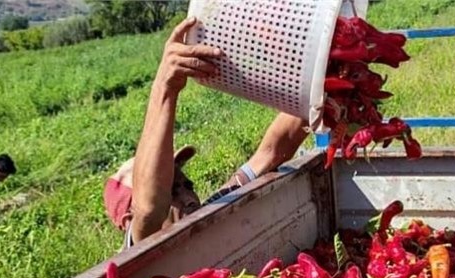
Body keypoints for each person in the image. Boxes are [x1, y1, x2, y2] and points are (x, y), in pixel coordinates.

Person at [103, 17, 309, 248]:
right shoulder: (140, 251)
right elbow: (149, 209)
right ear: (130, 221)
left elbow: (272, 151)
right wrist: (165, 87)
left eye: (187, 187)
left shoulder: (211, 210)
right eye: (171, 193)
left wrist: (317, 88)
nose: (189, 199)